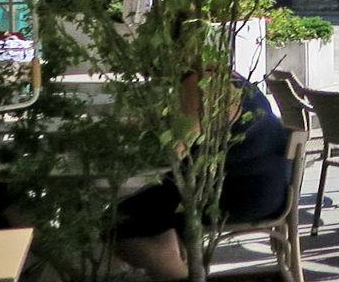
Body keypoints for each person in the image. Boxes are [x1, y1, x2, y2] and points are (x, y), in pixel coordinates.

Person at [113, 75, 290, 281]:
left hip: (239, 197)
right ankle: (170, 257)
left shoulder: (199, 83)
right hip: (263, 189)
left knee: (120, 223)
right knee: (136, 210)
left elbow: (176, 150)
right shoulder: (232, 80)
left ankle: (176, 272)